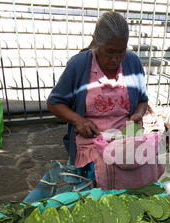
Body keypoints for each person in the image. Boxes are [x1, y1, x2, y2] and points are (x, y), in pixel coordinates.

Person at [47, 11, 160, 189]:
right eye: (109, 52)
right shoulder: (79, 65)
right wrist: (79, 120)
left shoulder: (132, 62)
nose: (115, 59)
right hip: (92, 140)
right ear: (96, 42)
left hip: (125, 138)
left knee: (148, 165)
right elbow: (54, 103)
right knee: (106, 169)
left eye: (121, 52)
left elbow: (142, 100)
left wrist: (138, 115)